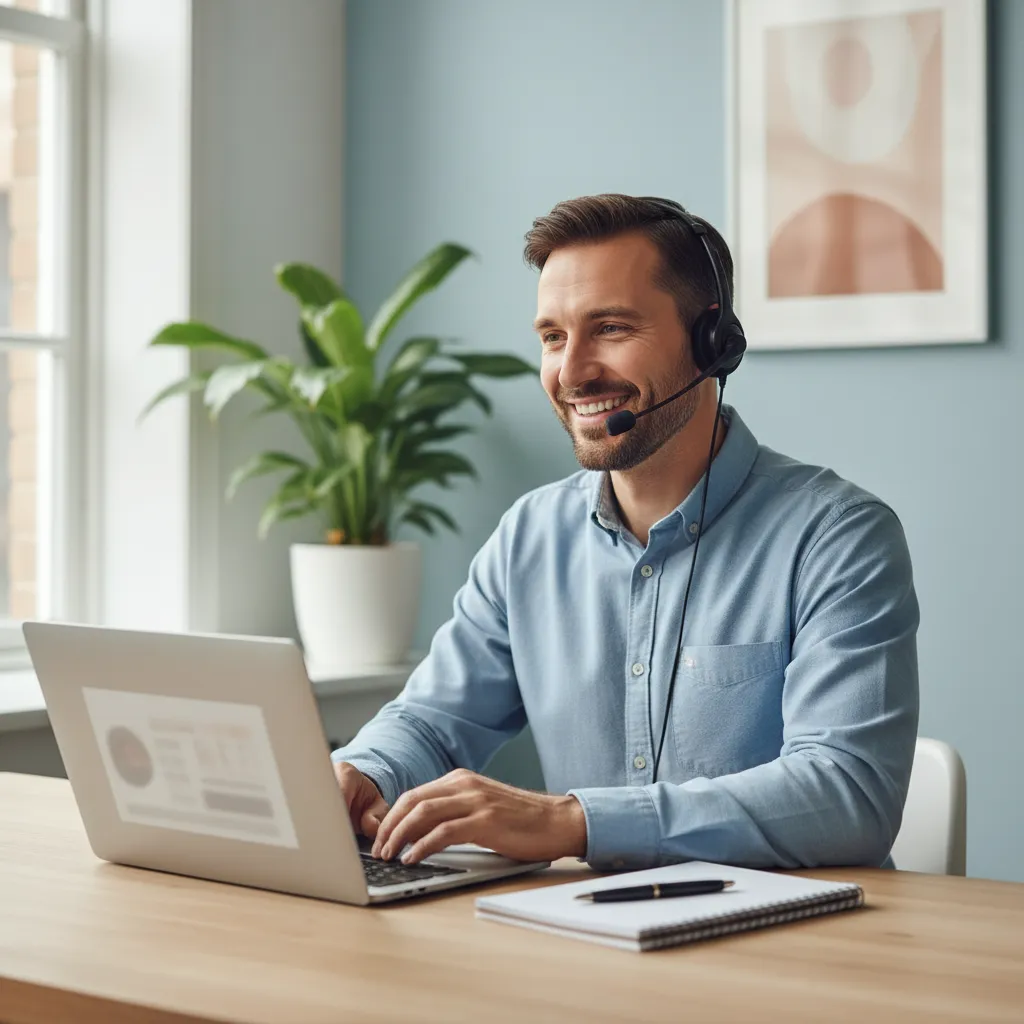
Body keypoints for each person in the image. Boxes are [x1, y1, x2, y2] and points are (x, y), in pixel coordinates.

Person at [331, 193, 919, 872]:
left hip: (786, 952)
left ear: (711, 343)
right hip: (583, 937)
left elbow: (849, 795)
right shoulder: (530, 537)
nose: (572, 372)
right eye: (553, 336)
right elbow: (433, 722)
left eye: (609, 327)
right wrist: (362, 774)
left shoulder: (837, 537)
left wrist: (574, 822)